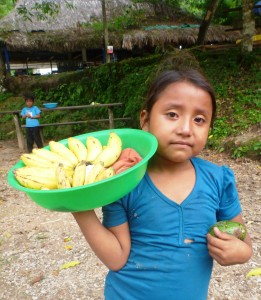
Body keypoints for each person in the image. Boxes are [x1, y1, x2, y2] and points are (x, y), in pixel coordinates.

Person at [72, 69, 253, 300]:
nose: (186, 129)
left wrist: (242, 252)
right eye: (172, 114)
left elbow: (243, 240)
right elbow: (116, 258)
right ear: (145, 120)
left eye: (199, 119)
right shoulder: (125, 180)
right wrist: (78, 206)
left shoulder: (218, 180)